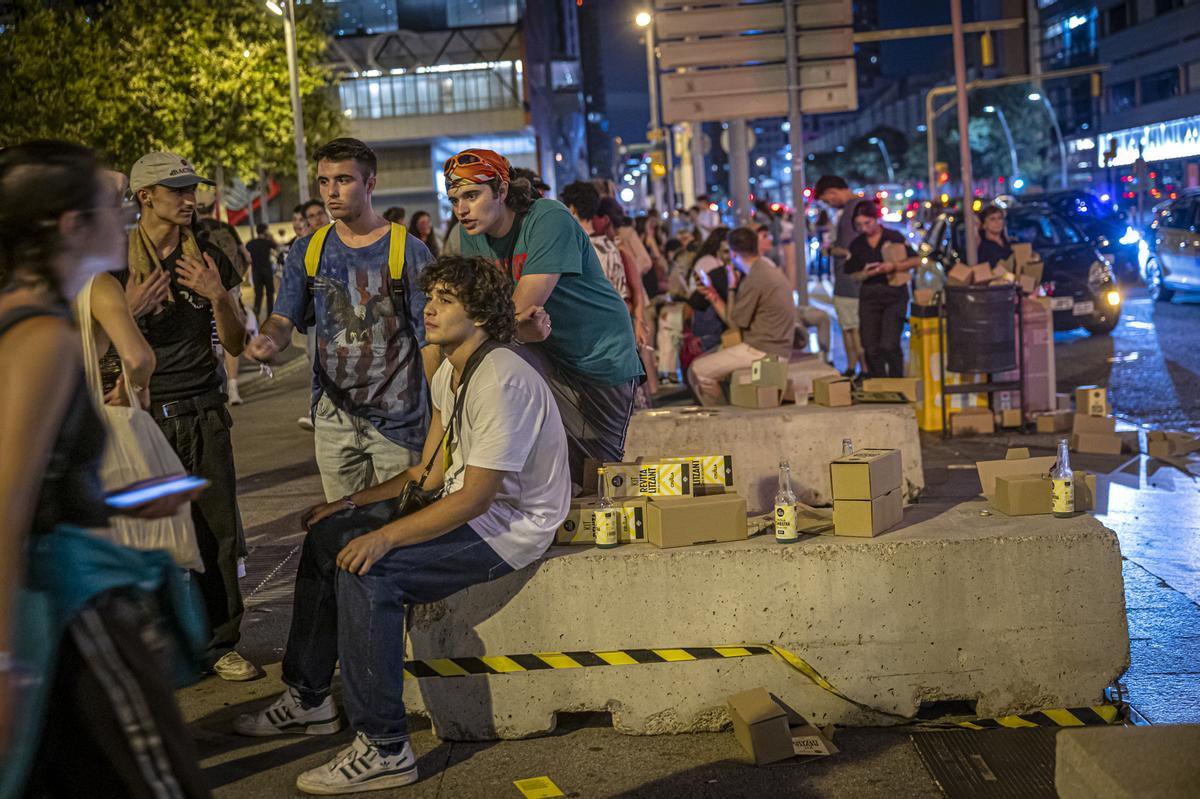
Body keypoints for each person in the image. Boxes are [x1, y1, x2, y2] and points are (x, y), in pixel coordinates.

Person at [233, 255, 570, 795]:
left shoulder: (502, 376)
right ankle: (309, 697)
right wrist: (350, 506)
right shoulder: (452, 371)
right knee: (327, 537)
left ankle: (385, 748)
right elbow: (430, 473)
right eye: (429, 296)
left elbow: (477, 498)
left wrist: (385, 535)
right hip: (468, 505)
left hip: (511, 527)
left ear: (480, 314)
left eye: (445, 300)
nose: (428, 308)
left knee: (371, 571)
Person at [0, 140, 210, 797]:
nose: (122, 216)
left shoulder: (16, 316)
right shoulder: (45, 338)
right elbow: (6, 509)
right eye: (109, 203)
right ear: (71, 225)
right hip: (68, 609)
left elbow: (32, 487)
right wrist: (4, 659)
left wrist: (114, 502)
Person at [120, 151, 258, 680]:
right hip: (143, 417)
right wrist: (128, 310)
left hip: (204, 410)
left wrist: (217, 293)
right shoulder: (115, 263)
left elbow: (236, 342)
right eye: (175, 190)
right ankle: (153, 647)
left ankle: (219, 643)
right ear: (144, 197)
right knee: (145, 537)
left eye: (190, 189)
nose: (188, 198)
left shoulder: (210, 256)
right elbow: (90, 343)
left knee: (215, 535)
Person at [247, 138, 440, 503]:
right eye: (324, 181)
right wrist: (267, 342)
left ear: (370, 185)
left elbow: (430, 341)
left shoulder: (408, 250)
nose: (331, 192)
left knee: (400, 532)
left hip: (398, 422)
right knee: (343, 531)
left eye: (344, 180)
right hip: (333, 419)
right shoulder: (308, 250)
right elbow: (282, 319)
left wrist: (440, 417)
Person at [448, 148, 642, 486]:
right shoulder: (470, 235)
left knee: (599, 478)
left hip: (597, 353)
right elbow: (479, 313)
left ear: (502, 190)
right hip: (543, 356)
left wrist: (512, 325)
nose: (461, 210)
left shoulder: (547, 218)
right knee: (552, 470)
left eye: (472, 195)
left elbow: (521, 308)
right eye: (454, 200)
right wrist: (515, 328)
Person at [687, 227, 796, 405]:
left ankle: (721, 417)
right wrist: (713, 293)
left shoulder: (755, 279)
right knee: (712, 359)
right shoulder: (766, 270)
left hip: (764, 349)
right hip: (775, 344)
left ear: (733, 253)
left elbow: (734, 323)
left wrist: (731, 288)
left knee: (698, 370)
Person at [844, 201, 920, 379]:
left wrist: (893, 266)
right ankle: (878, 382)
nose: (864, 228)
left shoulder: (894, 237)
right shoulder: (857, 245)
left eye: (867, 223)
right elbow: (852, 274)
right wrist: (866, 273)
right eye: (859, 225)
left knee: (889, 343)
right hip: (869, 295)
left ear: (876, 219)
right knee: (870, 345)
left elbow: (915, 260)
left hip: (894, 294)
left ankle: (896, 381)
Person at [816, 174, 869, 378]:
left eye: (827, 199)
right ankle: (854, 368)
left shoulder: (851, 210)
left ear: (832, 192)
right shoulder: (855, 207)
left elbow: (848, 250)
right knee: (850, 327)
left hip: (849, 279)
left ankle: (860, 369)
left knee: (853, 328)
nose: (829, 203)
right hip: (850, 279)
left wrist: (829, 250)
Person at [757, 224, 831, 363]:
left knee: (822, 317)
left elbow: (789, 284)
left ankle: (824, 359)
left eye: (770, 235)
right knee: (790, 313)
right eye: (765, 236)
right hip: (776, 310)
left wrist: (789, 258)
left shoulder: (771, 260)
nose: (770, 239)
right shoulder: (756, 265)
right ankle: (798, 336)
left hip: (789, 305)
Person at [247, 222, 278, 320]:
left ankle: (256, 317)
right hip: (267, 271)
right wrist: (271, 237)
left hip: (256, 272)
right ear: (265, 231)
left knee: (258, 296)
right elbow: (277, 247)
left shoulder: (250, 243)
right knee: (270, 295)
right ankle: (270, 318)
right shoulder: (267, 242)